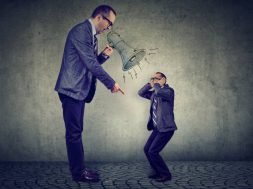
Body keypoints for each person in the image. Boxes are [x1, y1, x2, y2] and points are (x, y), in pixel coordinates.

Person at [55, 5, 122, 182]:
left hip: (78, 90)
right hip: (71, 90)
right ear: (100, 18)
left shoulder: (90, 35)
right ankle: (79, 173)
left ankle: (80, 170)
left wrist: (103, 56)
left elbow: (88, 64)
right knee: (74, 133)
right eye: (109, 23)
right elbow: (91, 65)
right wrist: (111, 83)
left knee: (76, 132)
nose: (109, 28)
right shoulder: (81, 32)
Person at [138, 72, 177, 182]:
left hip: (166, 128)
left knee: (153, 151)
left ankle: (166, 174)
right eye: (153, 78)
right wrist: (149, 85)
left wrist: (156, 85)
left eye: (157, 78)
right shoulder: (154, 93)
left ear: (164, 79)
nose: (154, 80)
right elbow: (140, 93)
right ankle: (158, 172)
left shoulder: (169, 91)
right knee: (147, 149)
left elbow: (160, 92)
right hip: (157, 128)